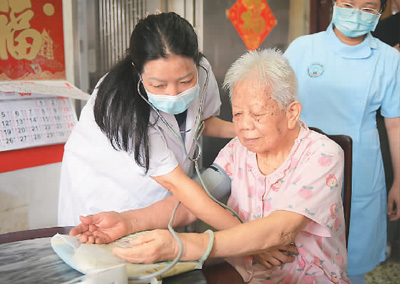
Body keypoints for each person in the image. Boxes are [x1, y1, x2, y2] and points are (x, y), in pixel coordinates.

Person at [70, 49, 350, 283]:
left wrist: (184, 246)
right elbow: (195, 200)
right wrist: (128, 221)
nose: (244, 126)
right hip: (245, 274)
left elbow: (280, 230)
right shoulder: (237, 150)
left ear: (292, 113)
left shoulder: (323, 154)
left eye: (256, 114)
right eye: (238, 113)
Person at [57, 12, 240, 231]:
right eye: (158, 85)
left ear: (197, 57)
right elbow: (176, 183)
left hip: (167, 188)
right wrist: (248, 238)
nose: (173, 94)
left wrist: (243, 131)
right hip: (107, 195)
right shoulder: (121, 103)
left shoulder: (202, 70)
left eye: (185, 81)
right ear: (137, 69)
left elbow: (201, 121)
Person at [284, 0, 400, 282]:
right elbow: (276, 104)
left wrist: (399, 180)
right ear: (334, 4)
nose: (356, 13)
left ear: (381, 11)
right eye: (348, 3)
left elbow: (395, 122)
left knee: (354, 256)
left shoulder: (388, 58)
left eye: (368, 7)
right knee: (298, 251)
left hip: (361, 166)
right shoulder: (302, 49)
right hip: (303, 165)